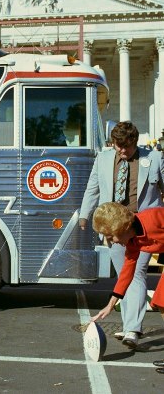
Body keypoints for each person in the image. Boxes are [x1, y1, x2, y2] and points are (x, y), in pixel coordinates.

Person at [79, 121, 164, 348]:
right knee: (125, 273)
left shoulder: (154, 158)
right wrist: (84, 215)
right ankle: (129, 324)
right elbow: (92, 187)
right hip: (113, 225)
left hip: (143, 225)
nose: (123, 151)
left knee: (137, 273)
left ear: (135, 142)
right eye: (118, 146)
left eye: (127, 147)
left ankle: (132, 328)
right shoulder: (103, 159)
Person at [91, 202, 164, 374]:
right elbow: (126, 273)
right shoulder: (132, 242)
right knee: (161, 302)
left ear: (121, 228)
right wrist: (110, 305)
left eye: (110, 237)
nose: (111, 241)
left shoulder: (153, 218)